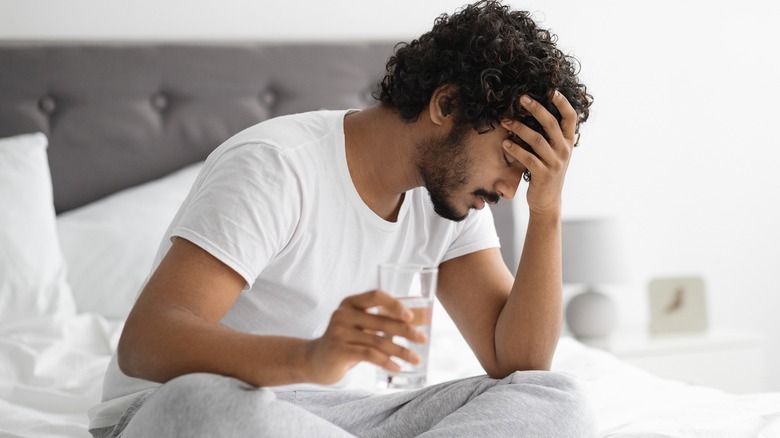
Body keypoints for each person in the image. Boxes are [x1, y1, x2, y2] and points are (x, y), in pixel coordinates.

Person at [88, 1, 595, 436]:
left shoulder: (448, 200)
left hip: (339, 419)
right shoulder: (277, 165)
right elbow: (145, 341)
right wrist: (312, 358)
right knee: (200, 406)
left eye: (525, 175)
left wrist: (546, 211)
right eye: (511, 160)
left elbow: (517, 363)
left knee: (554, 397)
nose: (509, 189)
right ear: (446, 104)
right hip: (202, 407)